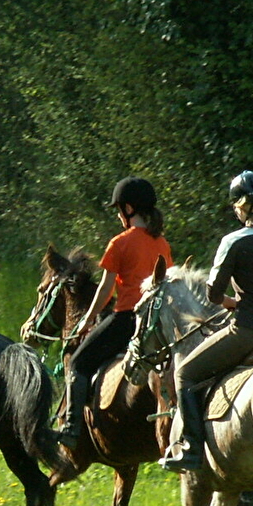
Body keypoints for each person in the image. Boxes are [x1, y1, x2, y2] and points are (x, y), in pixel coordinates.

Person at [160, 170, 253, 473]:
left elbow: (214, 294)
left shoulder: (234, 242)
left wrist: (235, 303)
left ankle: (190, 449)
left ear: (241, 206)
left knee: (186, 373)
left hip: (249, 330)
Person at [55, 176, 173, 448]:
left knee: (79, 362)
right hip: (155, 323)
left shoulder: (120, 243)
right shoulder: (162, 244)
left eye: (119, 209)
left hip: (126, 320)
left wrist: (86, 320)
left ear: (129, 209)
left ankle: (72, 429)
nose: (119, 215)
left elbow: (106, 289)